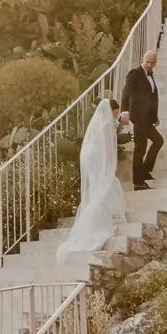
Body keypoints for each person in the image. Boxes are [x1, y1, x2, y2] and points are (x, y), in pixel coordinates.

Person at [57, 98, 126, 259]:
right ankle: (100, 217)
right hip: (96, 157)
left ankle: (93, 216)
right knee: (105, 184)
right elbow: (108, 149)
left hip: (88, 156)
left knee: (97, 186)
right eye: (116, 112)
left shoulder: (96, 123)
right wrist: (111, 165)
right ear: (112, 110)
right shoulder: (107, 124)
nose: (116, 115)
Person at [118, 49, 162, 189]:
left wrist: (155, 116)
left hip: (148, 119)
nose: (149, 65)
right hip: (139, 118)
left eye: (152, 63)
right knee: (140, 149)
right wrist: (125, 111)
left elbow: (151, 98)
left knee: (158, 141)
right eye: (147, 62)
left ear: (155, 63)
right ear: (142, 59)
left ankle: (144, 170)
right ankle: (138, 182)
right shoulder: (135, 73)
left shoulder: (150, 75)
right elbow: (126, 93)